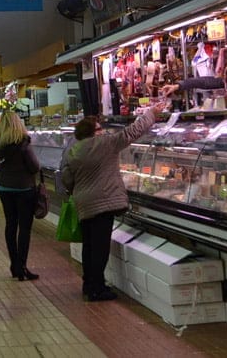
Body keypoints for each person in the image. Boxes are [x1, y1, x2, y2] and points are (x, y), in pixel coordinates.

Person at [60, 100, 168, 301]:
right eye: (99, 128)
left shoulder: (73, 151)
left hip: (84, 204)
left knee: (89, 246)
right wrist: (151, 113)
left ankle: (88, 284)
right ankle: (97, 289)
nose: (103, 131)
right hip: (103, 203)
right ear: (94, 132)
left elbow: (66, 178)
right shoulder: (104, 144)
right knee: (100, 248)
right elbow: (132, 132)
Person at [0, 111, 40, 281]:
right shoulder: (23, 142)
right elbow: (34, 166)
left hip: (4, 188)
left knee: (10, 225)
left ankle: (14, 265)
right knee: (24, 228)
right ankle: (22, 266)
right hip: (24, 189)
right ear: (18, 124)